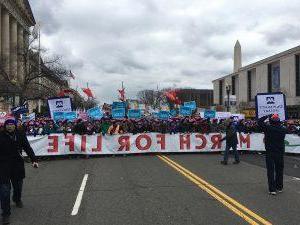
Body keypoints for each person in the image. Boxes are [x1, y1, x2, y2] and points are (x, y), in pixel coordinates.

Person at [0, 118, 39, 224]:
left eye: (12, 124)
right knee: (4, 191)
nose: (10, 126)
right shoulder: (1, 135)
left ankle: (17, 199)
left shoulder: (20, 134)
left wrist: (34, 160)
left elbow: (27, 148)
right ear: (5, 126)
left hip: (17, 165)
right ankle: (6, 214)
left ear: (15, 125)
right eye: (8, 125)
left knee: (18, 187)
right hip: (3, 166)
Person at [258, 114, 287, 195]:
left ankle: (272, 189)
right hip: (280, 152)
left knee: (270, 171)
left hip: (270, 152)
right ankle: (279, 187)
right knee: (279, 170)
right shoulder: (283, 129)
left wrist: (267, 115)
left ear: (271, 121)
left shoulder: (268, 128)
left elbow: (259, 121)